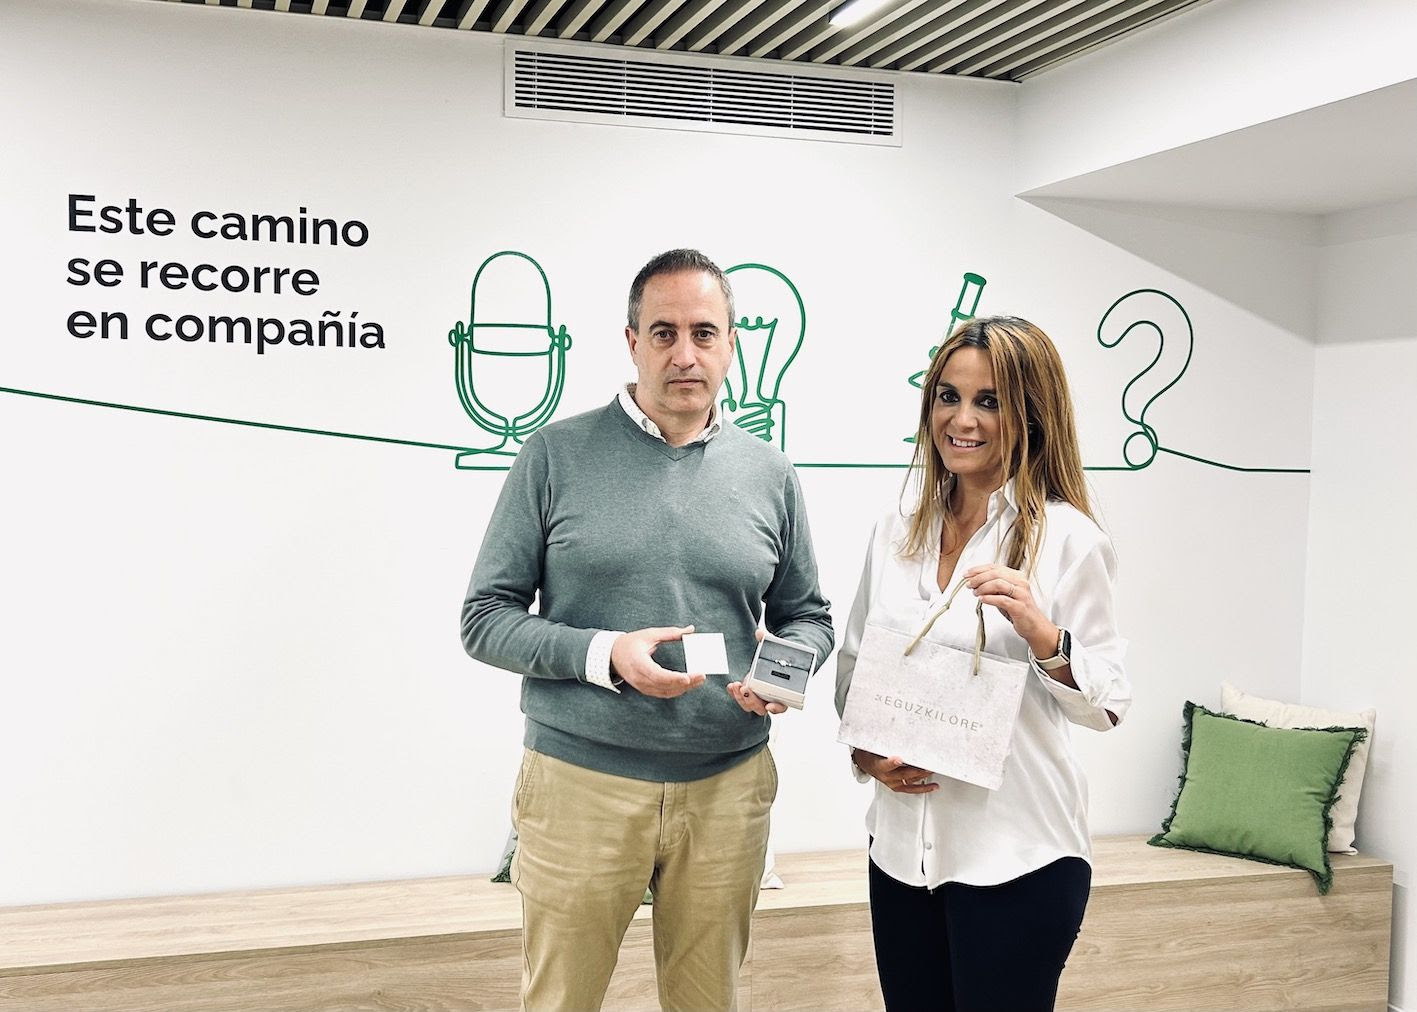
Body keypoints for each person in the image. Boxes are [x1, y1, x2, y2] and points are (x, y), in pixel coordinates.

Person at [461, 248, 834, 1011]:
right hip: (580, 786)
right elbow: (485, 618)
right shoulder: (553, 455)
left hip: (727, 788)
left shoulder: (769, 472)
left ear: (730, 344)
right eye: (663, 333)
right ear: (631, 342)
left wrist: (782, 673)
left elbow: (806, 615)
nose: (684, 354)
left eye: (703, 332)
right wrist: (605, 654)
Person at [835, 316, 1131, 1012]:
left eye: (988, 401)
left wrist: (1042, 635)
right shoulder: (895, 529)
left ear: (1030, 413)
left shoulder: (1069, 540)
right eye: (948, 396)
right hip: (899, 855)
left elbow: (1110, 704)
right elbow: (854, 668)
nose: (961, 420)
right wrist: (867, 754)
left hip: (1018, 858)